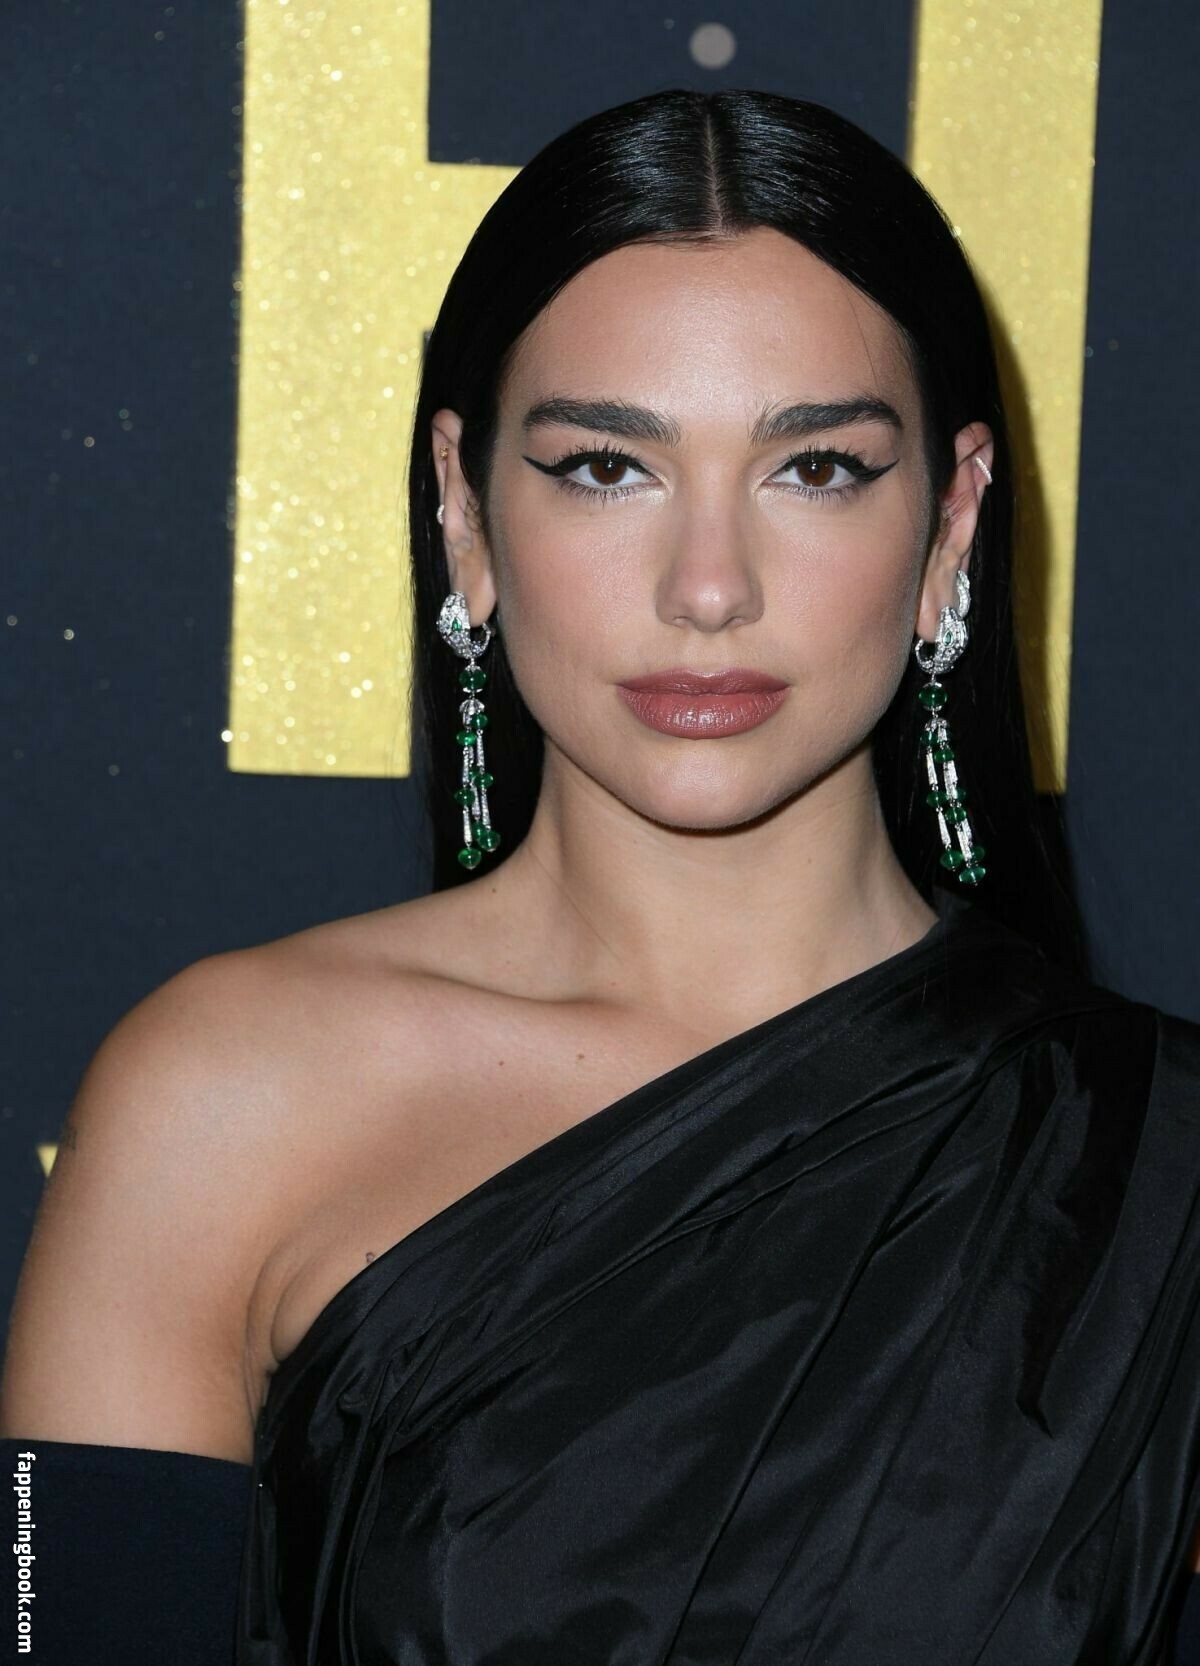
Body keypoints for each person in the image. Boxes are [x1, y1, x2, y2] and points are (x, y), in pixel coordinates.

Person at [2, 86, 1199, 1664]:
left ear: (953, 520)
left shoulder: (1158, 1161)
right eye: (603, 467)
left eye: (816, 468)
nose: (708, 586)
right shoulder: (220, 1104)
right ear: (463, 507)